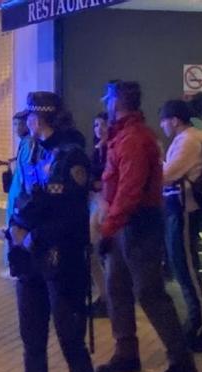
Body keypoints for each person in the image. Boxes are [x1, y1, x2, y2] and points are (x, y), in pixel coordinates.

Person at [6, 91, 99, 372]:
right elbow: (24, 198)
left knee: (72, 345)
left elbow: (69, 215)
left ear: (43, 117)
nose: (28, 122)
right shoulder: (30, 149)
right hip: (30, 260)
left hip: (62, 261)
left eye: (32, 116)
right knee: (32, 343)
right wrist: (16, 230)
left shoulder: (71, 153)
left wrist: (30, 234)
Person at [96, 81, 199, 372]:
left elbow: (128, 190)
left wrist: (109, 227)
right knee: (117, 288)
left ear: (117, 101)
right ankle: (126, 352)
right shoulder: (124, 135)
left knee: (149, 292)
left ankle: (182, 362)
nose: (105, 103)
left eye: (108, 99)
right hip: (125, 223)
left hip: (138, 224)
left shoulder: (134, 139)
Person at [158, 100, 202, 353]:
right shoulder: (186, 140)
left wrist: (156, 161)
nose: (162, 125)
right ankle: (194, 324)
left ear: (175, 120)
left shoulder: (189, 141)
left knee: (187, 269)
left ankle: (198, 328)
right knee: (182, 268)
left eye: (164, 119)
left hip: (184, 209)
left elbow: (167, 174)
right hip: (178, 209)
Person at [1, 110, 31, 280]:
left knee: (16, 228)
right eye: (15, 124)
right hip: (16, 191)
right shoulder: (24, 143)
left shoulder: (28, 143)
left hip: (20, 193)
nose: (17, 127)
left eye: (20, 124)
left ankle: (16, 267)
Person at [89, 112, 109, 318]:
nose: (99, 129)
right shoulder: (97, 150)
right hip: (96, 203)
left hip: (107, 206)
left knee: (102, 252)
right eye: (96, 125)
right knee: (93, 251)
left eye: (103, 124)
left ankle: (107, 296)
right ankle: (104, 295)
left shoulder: (113, 149)